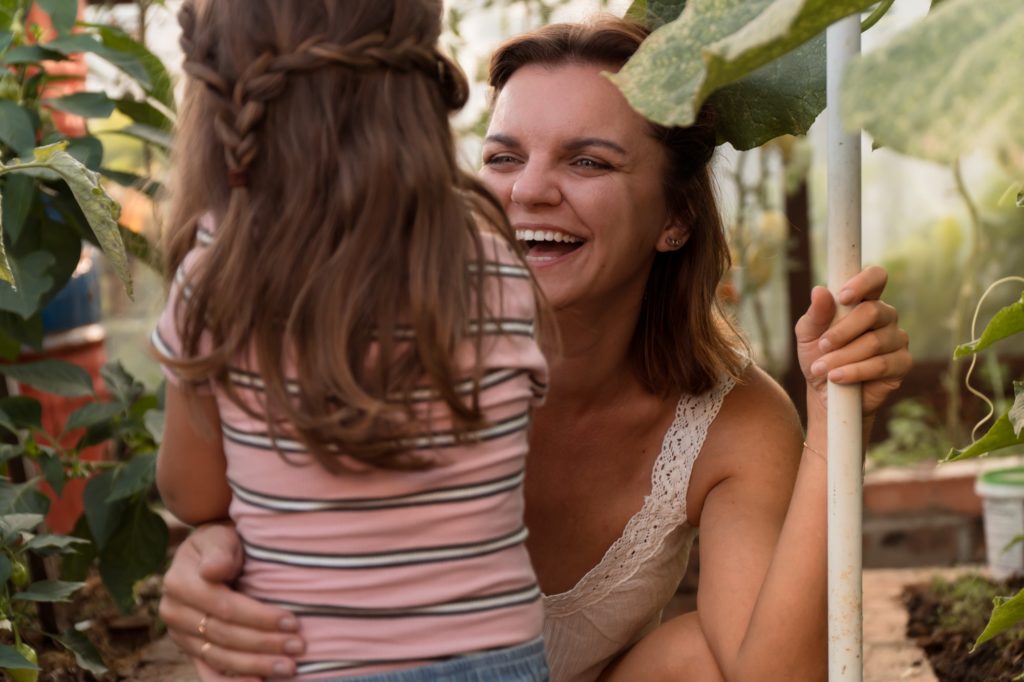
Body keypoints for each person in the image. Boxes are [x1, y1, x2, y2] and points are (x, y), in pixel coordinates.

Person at [157, 15, 912, 682]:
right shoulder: (374, 342)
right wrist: (207, 559)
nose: (529, 192)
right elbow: (254, 492)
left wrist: (835, 424)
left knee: (706, 660)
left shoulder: (731, 421)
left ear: (675, 217)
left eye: (588, 162)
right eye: (502, 157)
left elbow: (773, 676)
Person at [152, 0, 553, 680]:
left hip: (305, 663)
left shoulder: (216, 284)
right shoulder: (497, 272)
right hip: (502, 662)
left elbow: (193, 496)